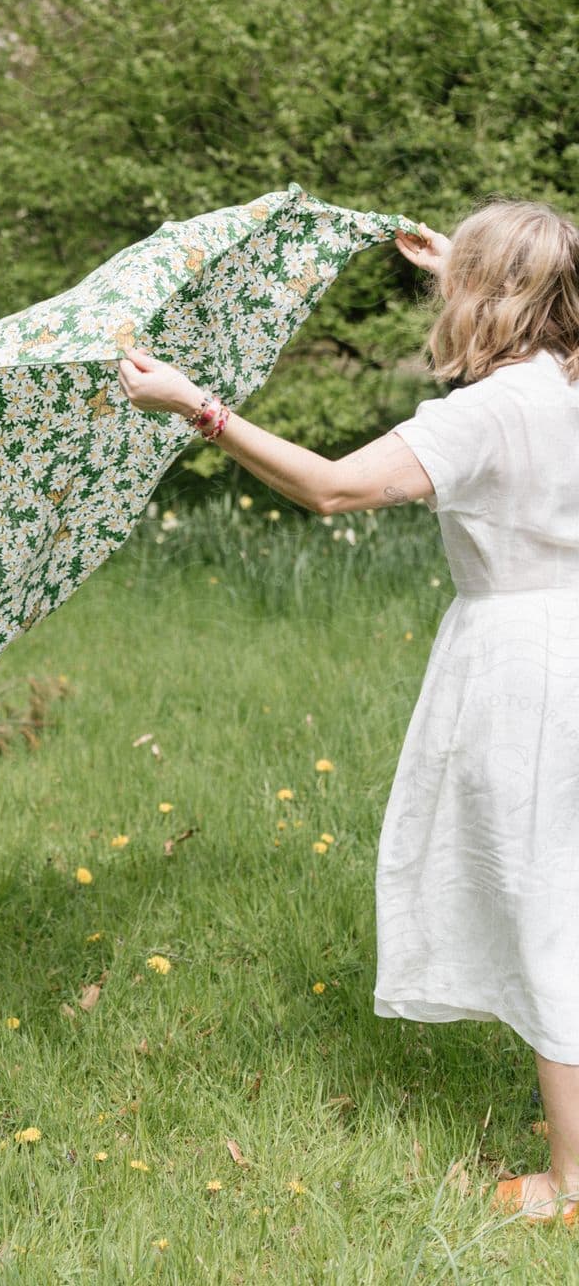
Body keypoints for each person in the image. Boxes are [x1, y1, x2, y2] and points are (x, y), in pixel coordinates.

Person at [118, 199, 579, 1225]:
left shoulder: (486, 412)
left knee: (545, 902)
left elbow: (330, 490)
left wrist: (201, 409)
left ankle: (573, 1183)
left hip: (524, 663)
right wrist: (457, 263)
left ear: (488, 292)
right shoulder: (564, 381)